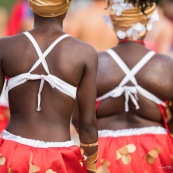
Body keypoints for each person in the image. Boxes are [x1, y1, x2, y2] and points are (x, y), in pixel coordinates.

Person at [0, 0, 98, 172]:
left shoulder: (5, 46)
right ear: (67, 6)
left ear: (31, 5)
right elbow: (87, 124)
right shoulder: (85, 53)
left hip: (11, 154)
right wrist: (91, 167)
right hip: (59, 158)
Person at [95, 0, 173, 172]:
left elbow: (80, 120)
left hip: (104, 155)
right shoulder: (167, 66)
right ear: (149, 22)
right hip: (156, 153)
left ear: (114, 22)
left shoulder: (95, 64)